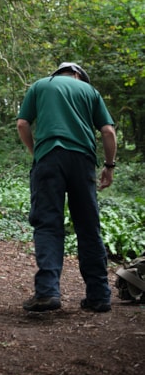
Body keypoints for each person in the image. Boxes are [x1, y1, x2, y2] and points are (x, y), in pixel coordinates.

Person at [16, 62, 117, 313]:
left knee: (48, 224)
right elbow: (108, 131)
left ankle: (48, 292)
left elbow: (22, 124)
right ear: (78, 75)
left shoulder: (40, 85)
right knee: (88, 226)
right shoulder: (89, 92)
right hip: (82, 161)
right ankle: (99, 295)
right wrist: (109, 166)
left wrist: (35, 151)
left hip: (49, 157)